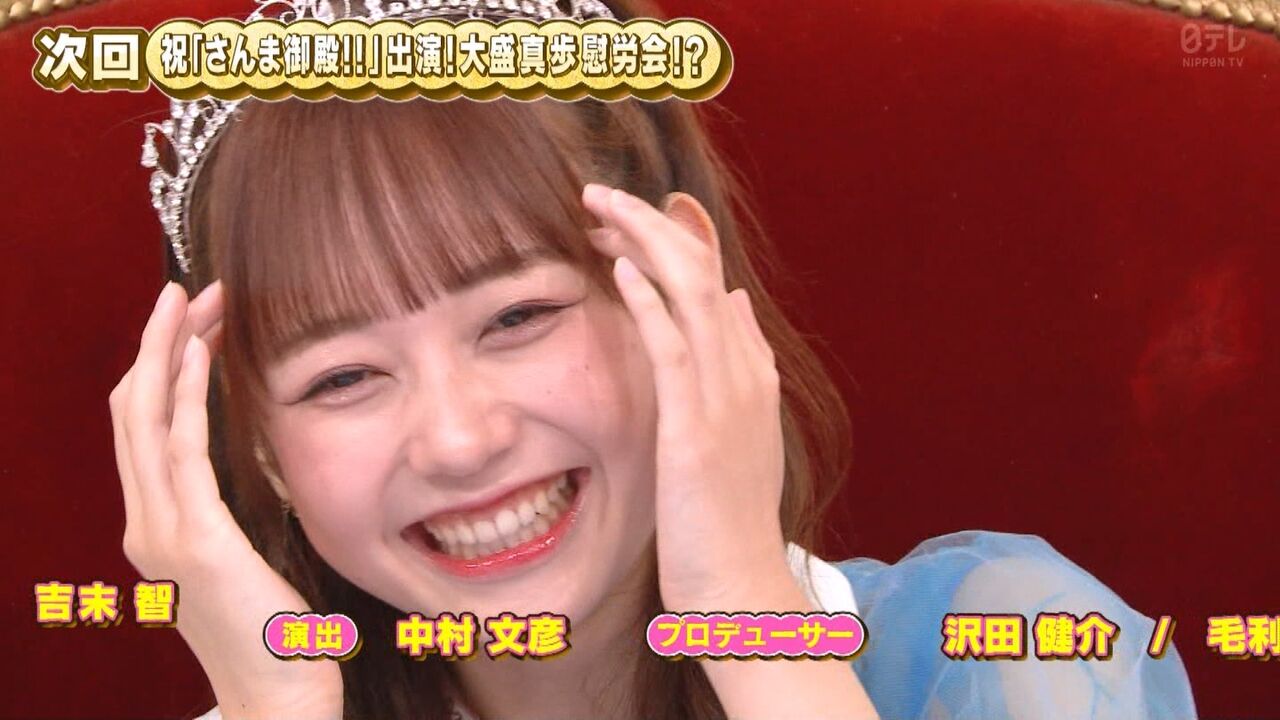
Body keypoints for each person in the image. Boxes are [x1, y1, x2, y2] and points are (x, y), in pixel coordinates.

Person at [110, 2, 1198, 718]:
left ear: (672, 289)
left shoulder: (1016, 651)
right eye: (343, 378)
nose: (458, 438)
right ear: (254, 441)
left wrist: (741, 607)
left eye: (517, 316)